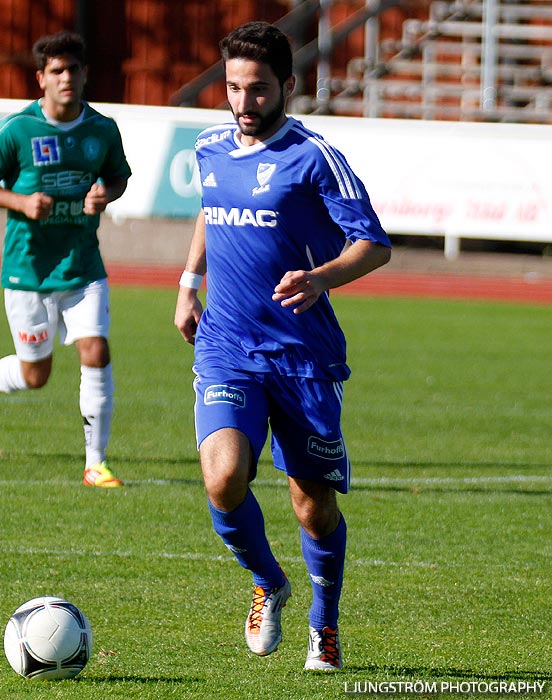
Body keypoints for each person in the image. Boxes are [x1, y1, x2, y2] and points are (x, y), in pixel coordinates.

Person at [174, 22, 391, 670]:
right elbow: (212, 208)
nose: (244, 102)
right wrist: (189, 282)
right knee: (223, 477)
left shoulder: (314, 157)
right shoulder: (211, 148)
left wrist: (321, 278)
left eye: (259, 89)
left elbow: (374, 243)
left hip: (303, 357)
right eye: (235, 88)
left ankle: (324, 624)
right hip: (227, 344)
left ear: (288, 87)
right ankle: (269, 582)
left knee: (313, 506)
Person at [0, 30, 131, 488]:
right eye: (56, 70)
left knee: (95, 349)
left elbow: (118, 177)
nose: (66, 78)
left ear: (84, 74)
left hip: (82, 265)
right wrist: (19, 203)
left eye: (73, 69)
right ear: (41, 78)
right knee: (36, 374)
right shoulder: (19, 129)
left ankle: (95, 463)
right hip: (28, 269)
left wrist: (105, 193)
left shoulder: (102, 129)